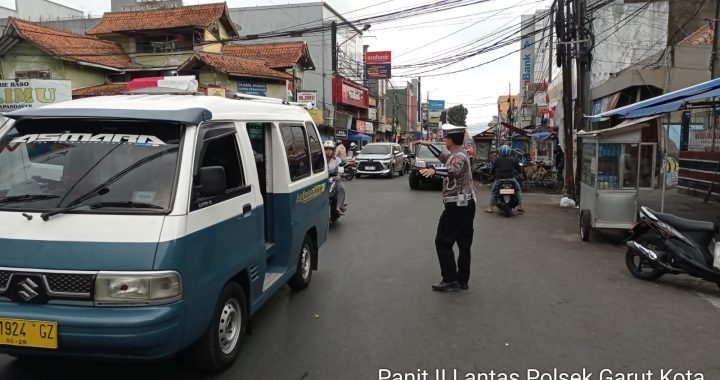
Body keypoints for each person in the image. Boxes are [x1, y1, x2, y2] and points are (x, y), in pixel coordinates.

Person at [415, 124, 476, 291]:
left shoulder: (459, 157)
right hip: (466, 204)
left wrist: (434, 171)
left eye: (445, 138)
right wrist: (429, 145)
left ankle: (450, 279)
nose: (444, 141)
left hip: (457, 206)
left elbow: (452, 169)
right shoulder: (457, 154)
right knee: (464, 244)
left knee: (442, 241)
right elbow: (444, 157)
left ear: (450, 140)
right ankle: (463, 280)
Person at [486, 145, 524, 214]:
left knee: (493, 192)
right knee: (518, 191)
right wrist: (520, 174)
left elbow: (493, 169)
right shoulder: (514, 159)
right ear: (509, 151)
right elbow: (519, 169)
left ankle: (490, 208)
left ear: (500, 152)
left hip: (499, 180)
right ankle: (520, 207)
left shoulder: (497, 159)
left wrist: (491, 174)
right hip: (511, 179)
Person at [324, 141, 346, 215]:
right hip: (322, 180)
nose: (328, 151)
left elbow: (340, 168)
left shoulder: (337, 159)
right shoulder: (320, 158)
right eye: (326, 149)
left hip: (334, 178)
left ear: (333, 150)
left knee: (341, 188)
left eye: (330, 149)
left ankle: (338, 207)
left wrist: (339, 173)